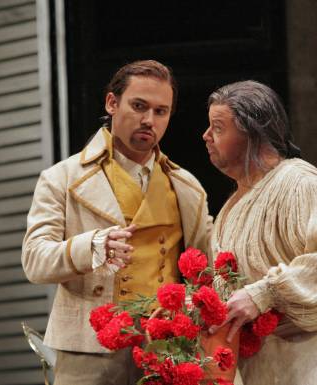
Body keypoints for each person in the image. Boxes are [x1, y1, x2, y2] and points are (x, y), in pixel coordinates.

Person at [22, 60, 212, 385]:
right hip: (87, 352)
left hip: (167, 352)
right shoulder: (61, 179)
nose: (148, 120)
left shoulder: (186, 187)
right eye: (139, 106)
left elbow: (205, 269)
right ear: (112, 103)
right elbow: (35, 260)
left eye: (160, 111)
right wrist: (91, 247)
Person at [204, 80, 317, 385]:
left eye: (218, 127)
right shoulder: (233, 205)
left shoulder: (300, 183)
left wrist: (266, 292)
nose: (206, 136)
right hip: (269, 364)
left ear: (254, 133)